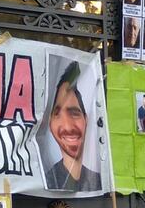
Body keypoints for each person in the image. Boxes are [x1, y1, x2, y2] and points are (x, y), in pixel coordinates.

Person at [43, 63, 102, 192]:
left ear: (86, 120)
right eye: (57, 114)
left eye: (74, 114)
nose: (68, 127)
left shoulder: (99, 181)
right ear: (50, 123)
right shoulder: (45, 181)